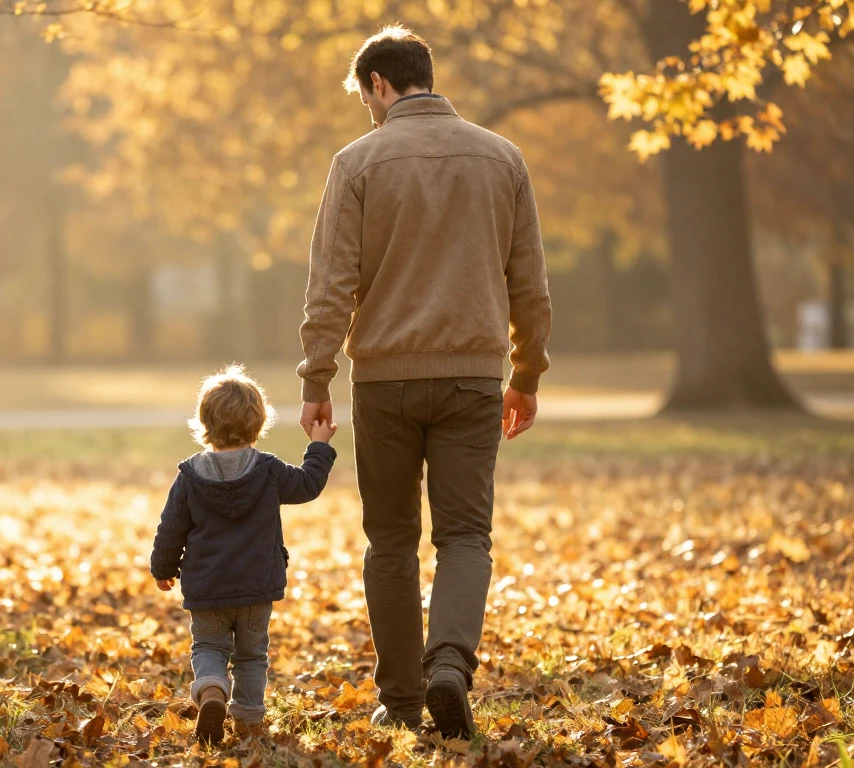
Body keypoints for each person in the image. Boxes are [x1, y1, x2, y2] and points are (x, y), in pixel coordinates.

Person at [296, 26, 553, 739]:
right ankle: (450, 666)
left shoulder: (356, 163)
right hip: (473, 376)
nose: (366, 110)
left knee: (390, 540)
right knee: (466, 535)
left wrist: (317, 375)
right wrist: (526, 373)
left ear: (379, 84)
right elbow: (528, 283)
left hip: (382, 381)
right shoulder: (503, 159)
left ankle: (403, 698)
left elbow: (330, 284)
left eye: (364, 97)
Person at [149, 364, 338, 745]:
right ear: (258, 422)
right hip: (256, 587)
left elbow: (170, 529)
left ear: (205, 422)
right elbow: (307, 484)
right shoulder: (268, 471)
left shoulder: (189, 476)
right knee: (252, 656)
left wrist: (162, 568)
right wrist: (319, 446)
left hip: (207, 589)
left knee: (208, 647)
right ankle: (249, 720)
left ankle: (213, 690)